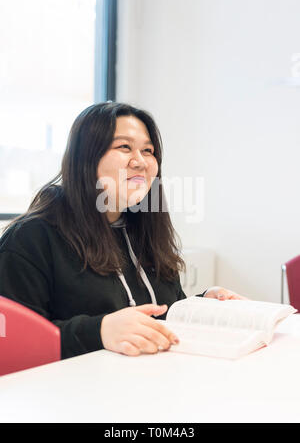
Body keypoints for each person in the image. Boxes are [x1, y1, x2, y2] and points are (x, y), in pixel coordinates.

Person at [0, 102, 246, 359]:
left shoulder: (145, 230)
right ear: (86, 157)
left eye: (148, 151)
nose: (140, 162)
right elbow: (11, 341)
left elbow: (158, 313)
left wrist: (203, 305)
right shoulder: (30, 238)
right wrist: (100, 331)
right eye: (124, 147)